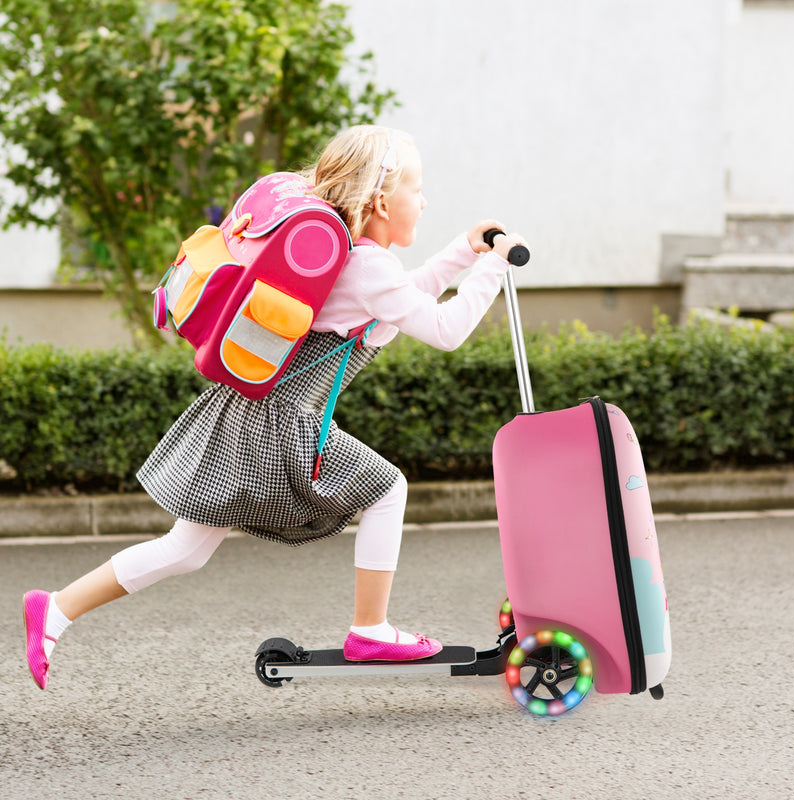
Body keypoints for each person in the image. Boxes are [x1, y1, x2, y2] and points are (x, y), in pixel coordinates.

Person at [22, 124, 528, 689]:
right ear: (383, 201)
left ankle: (55, 609)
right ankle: (371, 629)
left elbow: (407, 297)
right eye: (417, 187)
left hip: (253, 411)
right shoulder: (367, 267)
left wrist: (464, 251)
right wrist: (493, 267)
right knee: (389, 488)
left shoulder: (362, 260)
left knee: (185, 550)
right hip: (282, 422)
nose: (424, 199)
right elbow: (445, 328)